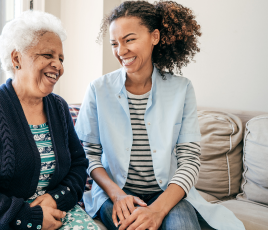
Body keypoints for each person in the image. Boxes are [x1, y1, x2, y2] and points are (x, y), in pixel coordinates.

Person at [75, 1, 245, 230]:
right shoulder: (98, 89)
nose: (121, 51)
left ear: (154, 37)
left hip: (167, 192)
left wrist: (158, 210)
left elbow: (189, 159)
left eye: (130, 39)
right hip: (116, 193)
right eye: (115, 43)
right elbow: (88, 153)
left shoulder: (181, 89)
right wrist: (116, 195)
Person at [0, 10, 99, 230]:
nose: (58, 65)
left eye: (61, 58)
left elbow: (78, 165)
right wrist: (29, 216)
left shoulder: (58, 107)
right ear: (17, 58)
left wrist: (56, 198)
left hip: (53, 212)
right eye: (48, 55)